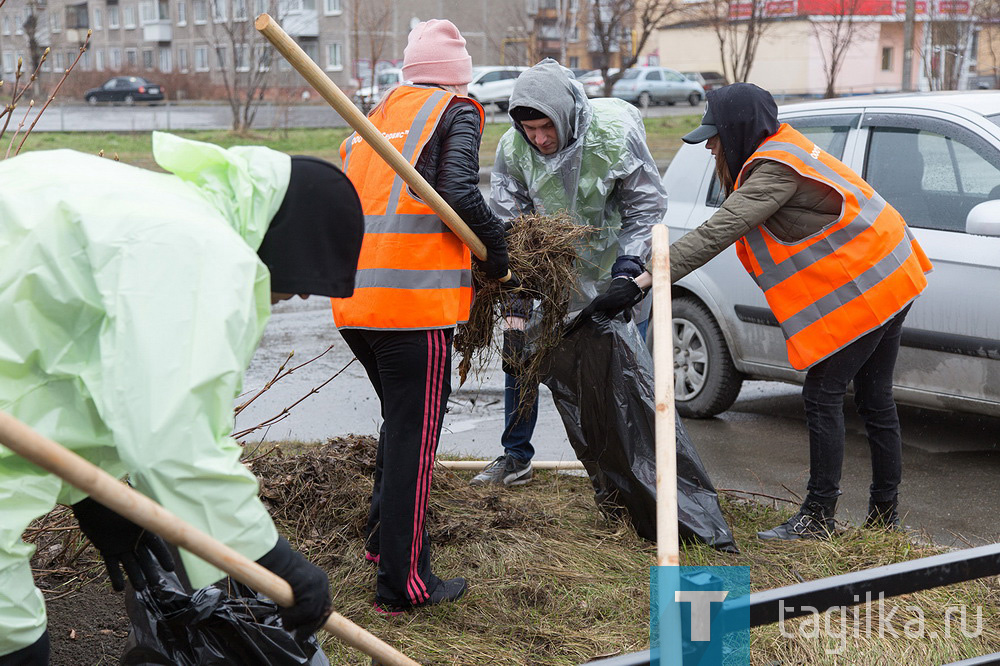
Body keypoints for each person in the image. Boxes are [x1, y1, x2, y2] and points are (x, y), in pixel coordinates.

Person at [0, 132, 365, 663]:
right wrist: (271, 560)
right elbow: (178, 440)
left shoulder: (154, 213)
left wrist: (90, 496)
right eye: (314, 275)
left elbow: (66, 368)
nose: (306, 295)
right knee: (12, 636)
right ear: (298, 237)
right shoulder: (201, 252)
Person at [669, 83, 933, 540]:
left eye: (715, 135)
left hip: (875, 284)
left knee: (822, 394)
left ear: (739, 130)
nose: (710, 144)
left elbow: (721, 229)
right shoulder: (782, 148)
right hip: (894, 270)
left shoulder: (774, 168)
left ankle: (818, 517)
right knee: (874, 400)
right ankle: (883, 519)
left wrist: (649, 274)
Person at [330, 19, 511, 614]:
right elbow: (459, 193)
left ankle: (384, 547)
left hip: (356, 303)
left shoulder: (379, 114)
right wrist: (498, 253)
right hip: (413, 305)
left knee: (399, 423)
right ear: (457, 77)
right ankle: (404, 586)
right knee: (415, 438)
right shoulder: (454, 112)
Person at [471, 58, 667, 487]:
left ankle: (633, 465)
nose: (539, 139)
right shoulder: (513, 148)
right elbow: (513, 224)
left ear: (565, 115)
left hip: (613, 270)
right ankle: (515, 455)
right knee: (520, 355)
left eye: (547, 128)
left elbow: (646, 206)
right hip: (553, 274)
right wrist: (517, 300)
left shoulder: (613, 136)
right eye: (530, 129)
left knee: (620, 370)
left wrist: (628, 270)